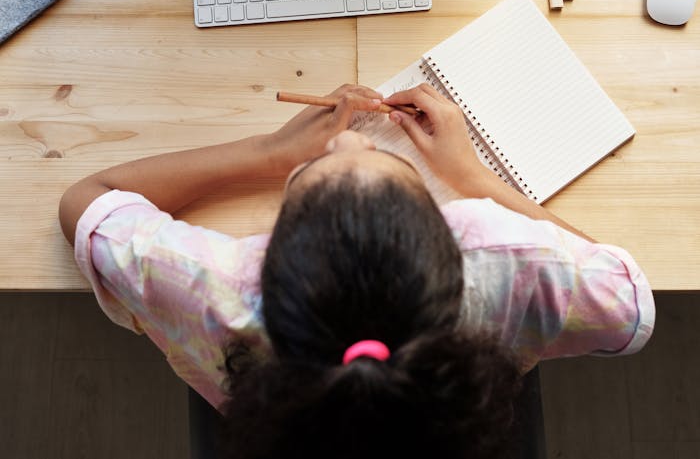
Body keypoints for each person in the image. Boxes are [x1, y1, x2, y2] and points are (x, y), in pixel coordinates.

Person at [59, 83, 654, 459]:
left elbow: (88, 198)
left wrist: (268, 154)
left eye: (313, 171)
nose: (349, 145)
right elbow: (629, 298)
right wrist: (476, 180)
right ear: (452, 236)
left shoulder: (211, 286)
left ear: (265, 257)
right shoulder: (506, 258)